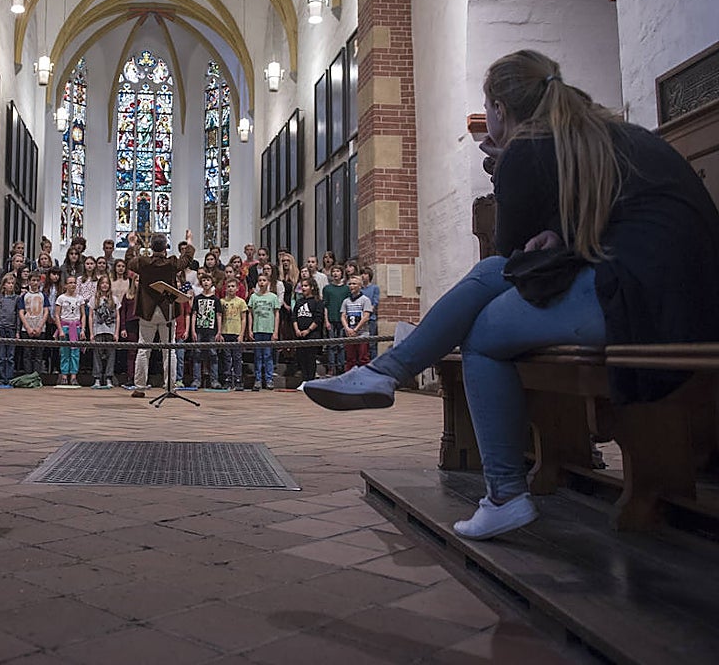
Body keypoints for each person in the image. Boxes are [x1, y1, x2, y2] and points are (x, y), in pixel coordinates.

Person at [303, 49, 719, 540]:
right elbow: (604, 227)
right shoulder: (599, 134)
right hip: (678, 294)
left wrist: (507, 176)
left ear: (499, 108)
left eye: (487, 109)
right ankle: (388, 377)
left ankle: (498, 487)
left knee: (483, 332)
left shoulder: (532, 149)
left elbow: (512, 249)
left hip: (652, 305)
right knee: (495, 281)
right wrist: (560, 239)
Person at [125, 230, 196, 391]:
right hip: (167, 310)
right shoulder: (171, 263)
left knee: (143, 349)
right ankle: (170, 386)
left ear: (150, 247)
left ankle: (140, 386)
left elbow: (129, 262)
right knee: (169, 349)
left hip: (147, 311)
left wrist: (131, 244)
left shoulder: (143, 262)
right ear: (165, 248)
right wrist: (189, 241)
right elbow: (187, 259)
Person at [247, 273, 280, 390]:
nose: (261, 282)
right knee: (258, 356)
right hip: (257, 329)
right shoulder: (254, 297)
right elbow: (250, 314)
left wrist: (275, 331)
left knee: (268, 355)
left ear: (268, 282)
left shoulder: (273, 297)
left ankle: (269, 379)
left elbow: (276, 314)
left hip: (268, 330)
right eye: (260, 280)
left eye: (264, 280)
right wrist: (250, 329)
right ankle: (258, 379)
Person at [190, 272, 221, 389]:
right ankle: (197, 380)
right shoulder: (197, 299)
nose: (206, 282)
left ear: (212, 282)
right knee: (197, 355)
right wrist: (193, 330)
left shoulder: (216, 299)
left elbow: (219, 315)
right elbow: (194, 314)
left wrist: (219, 332)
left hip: (212, 330)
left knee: (213, 354)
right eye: (204, 280)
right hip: (199, 330)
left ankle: (214, 380)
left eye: (208, 280)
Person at [218, 278, 249, 390]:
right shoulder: (222, 302)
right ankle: (226, 379)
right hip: (226, 332)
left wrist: (241, 334)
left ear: (237, 288)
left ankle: (238, 379)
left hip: (236, 332)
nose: (231, 288)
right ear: (226, 288)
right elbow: (220, 318)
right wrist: (220, 332)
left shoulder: (240, 302)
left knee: (237, 357)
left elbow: (244, 319)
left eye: (233, 286)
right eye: (229, 286)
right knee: (226, 357)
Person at [54, 274, 85, 386]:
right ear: (66, 285)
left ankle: (73, 376)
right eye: (70, 283)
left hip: (75, 327)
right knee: (64, 352)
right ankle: (64, 375)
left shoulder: (79, 298)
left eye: (74, 283)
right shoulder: (61, 298)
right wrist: (60, 330)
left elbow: (83, 315)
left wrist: (82, 329)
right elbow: (57, 315)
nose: (72, 285)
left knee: (75, 353)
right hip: (65, 326)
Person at [339, 274, 374, 370]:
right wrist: (347, 329)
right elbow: (343, 316)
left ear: (360, 286)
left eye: (354, 284)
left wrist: (356, 329)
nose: (351, 286)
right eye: (350, 284)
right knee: (350, 359)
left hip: (362, 334)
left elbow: (366, 317)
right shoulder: (346, 301)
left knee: (363, 358)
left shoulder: (365, 300)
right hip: (350, 334)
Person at [89, 275, 118, 388]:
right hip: (98, 331)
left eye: (107, 283)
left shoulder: (114, 299)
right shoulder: (94, 299)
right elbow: (91, 316)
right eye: (102, 283)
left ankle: (108, 377)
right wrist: (91, 333)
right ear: (99, 285)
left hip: (110, 330)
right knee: (97, 355)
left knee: (111, 355)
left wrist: (116, 332)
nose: (104, 285)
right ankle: (97, 378)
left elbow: (117, 317)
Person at [0, 274, 21, 387]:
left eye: (12, 283)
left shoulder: (16, 298)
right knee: (1, 355)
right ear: (3, 285)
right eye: (8, 283)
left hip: (12, 329)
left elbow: (18, 316)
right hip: (1, 328)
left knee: (10, 356)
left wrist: (18, 331)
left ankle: (9, 378)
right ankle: (1, 378)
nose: (10, 285)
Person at [321, 266, 350, 373]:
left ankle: (341, 367)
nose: (335, 273)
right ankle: (331, 367)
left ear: (341, 273)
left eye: (338, 271)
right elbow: (325, 306)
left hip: (343, 320)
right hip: (331, 319)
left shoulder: (346, 289)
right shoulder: (327, 289)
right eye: (333, 271)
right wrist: (326, 321)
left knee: (341, 344)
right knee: (332, 344)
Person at [19, 273, 49, 375]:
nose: (35, 283)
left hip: (40, 328)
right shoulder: (24, 296)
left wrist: (40, 327)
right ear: (29, 282)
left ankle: (36, 376)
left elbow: (46, 312)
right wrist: (27, 327)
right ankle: (28, 376)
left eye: (37, 280)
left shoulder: (43, 296)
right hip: (26, 329)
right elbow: (21, 312)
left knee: (38, 354)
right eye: (33, 280)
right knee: (27, 354)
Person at [292, 276, 322, 380]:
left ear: (312, 287)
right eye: (302, 286)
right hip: (300, 335)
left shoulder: (317, 301)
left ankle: (310, 379)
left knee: (310, 358)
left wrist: (308, 330)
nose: (303, 288)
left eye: (306, 286)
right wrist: (297, 330)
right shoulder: (299, 302)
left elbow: (318, 318)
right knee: (301, 358)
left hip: (312, 335)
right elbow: (294, 316)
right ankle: (304, 379)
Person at [118, 271, 140, 388]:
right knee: (131, 352)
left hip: (142, 324)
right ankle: (130, 377)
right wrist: (123, 328)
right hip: (130, 324)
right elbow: (123, 313)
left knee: (142, 352)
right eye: (136, 280)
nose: (138, 283)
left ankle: (141, 378)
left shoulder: (145, 296)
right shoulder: (128, 295)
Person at [360, 266, 382, 360]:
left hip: (371, 318)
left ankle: (373, 361)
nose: (363, 276)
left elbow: (375, 301)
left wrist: (368, 312)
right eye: (362, 274)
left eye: (365, 274)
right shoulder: (360, 289)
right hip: (360, 318)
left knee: (372, 342)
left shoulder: (374, 288)